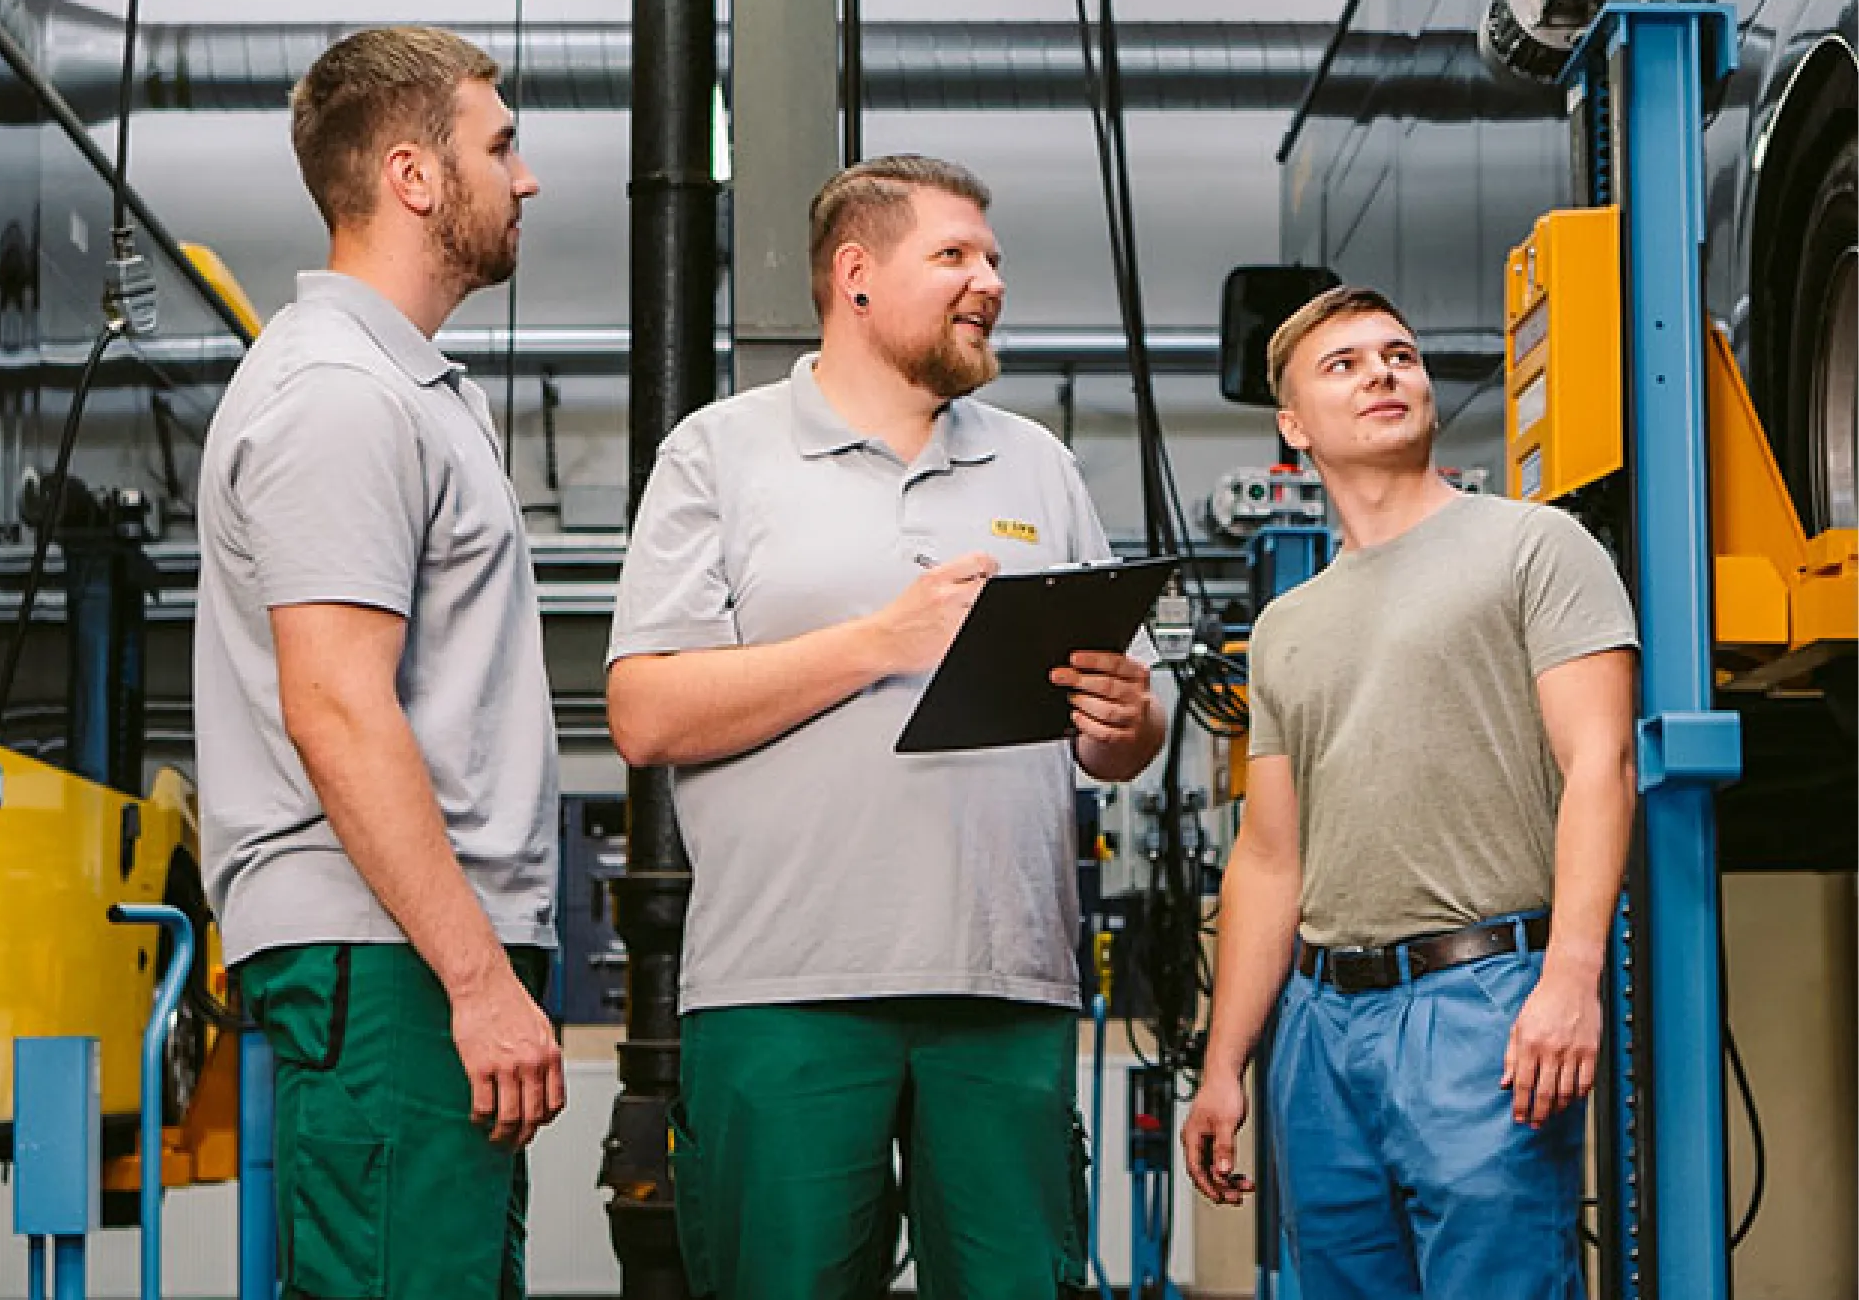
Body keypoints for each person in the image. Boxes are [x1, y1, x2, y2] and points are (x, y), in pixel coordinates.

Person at [606, 153, 1168, 1299]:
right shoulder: (721, 452)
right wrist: (880, 639)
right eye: (954, 255)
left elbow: (1124, 731)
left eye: (993, 259)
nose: (989, 281)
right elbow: (646, 709)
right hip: (782, 986)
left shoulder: (1037, 464)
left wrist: (1124, 721)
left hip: (1004, 982)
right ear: (855, 275)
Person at [194, 26, 565, 1300]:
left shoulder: (406, 389)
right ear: (413, 175)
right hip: (389, 947)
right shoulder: (339, 396)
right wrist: (475, 974)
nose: (524, 177)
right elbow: (338, 707)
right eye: (500, 144)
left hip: (411, 942)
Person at [1179, 285, 1638, 1299]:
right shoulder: (1286, 626)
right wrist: (1225, 1064)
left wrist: (1569, 979)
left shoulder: (1534, 546)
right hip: (1319, 1025)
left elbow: (1599, 764)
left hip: (1480, 1002)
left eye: (1399, 354)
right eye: (1342, 364)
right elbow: (1267, 853)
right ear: (1293, 426)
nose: (1383, 371)